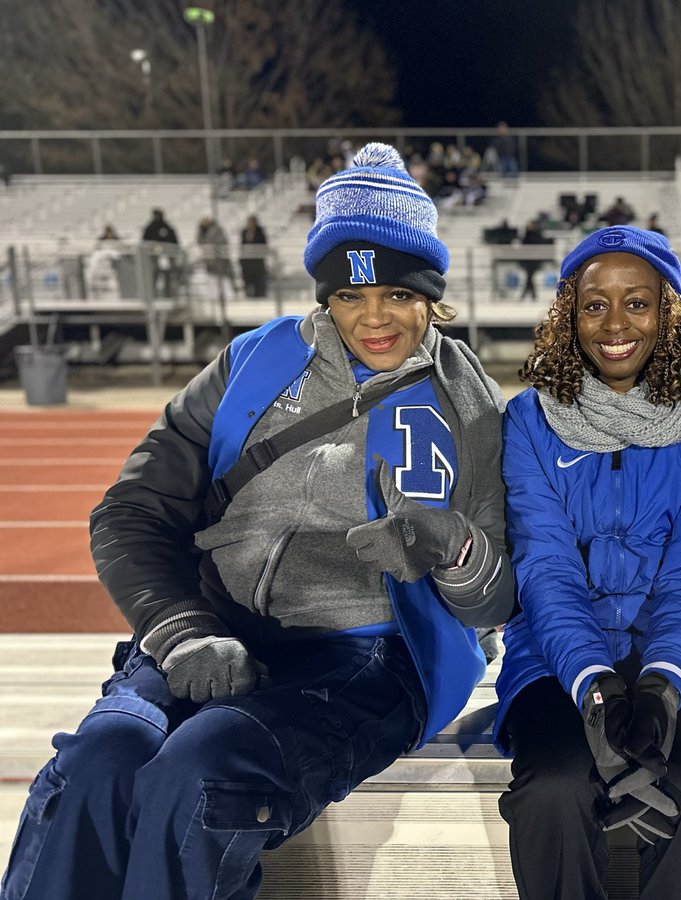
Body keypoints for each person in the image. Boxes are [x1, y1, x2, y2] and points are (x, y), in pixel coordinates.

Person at [0, 143, 514, 900]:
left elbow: (497, 601)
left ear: (432, 294)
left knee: (203, 773)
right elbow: (131, 510)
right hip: (211, 629)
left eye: (398, 295)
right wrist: (180, 626)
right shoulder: (252, 361)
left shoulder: (473, 408)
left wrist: (461, 553)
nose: (374, 318)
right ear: (324, 295)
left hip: (368, 659)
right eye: (350, 296)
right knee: (94, 766)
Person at [496, 225, 681, 900]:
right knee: (552, 789)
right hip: (558, 657)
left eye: (636, 303)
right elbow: (546, 568)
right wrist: (595, 687)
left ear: (667, 311)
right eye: (593, 304)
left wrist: (662, 689)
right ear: (567, 316)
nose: (614, 324)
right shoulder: (528, 421)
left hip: (680, 652)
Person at [140, 208, 180, 297]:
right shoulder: (149, 228)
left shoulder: (168, 228)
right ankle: (152, 295)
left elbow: (174, 242)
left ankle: (168, 295)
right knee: (154, 276)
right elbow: (145, 242)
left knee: (168, 277)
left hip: (167, 257)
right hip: (154, 258)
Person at [196, 215, 235, 297]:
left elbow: (222, 242)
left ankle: (229, 296)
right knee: (212, 279)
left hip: (219, 260)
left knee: (224, 280)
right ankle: (214, 296)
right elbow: (200, 242)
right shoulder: (202, 231)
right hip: (209, 260)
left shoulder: (217, 229)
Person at [239, 215, 269, 298]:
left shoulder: (260, 232)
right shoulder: (244, 232)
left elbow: (263, 244)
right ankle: (248, 295)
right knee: (247, 279)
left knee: (258, 280)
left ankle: (260, 295)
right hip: (247, 261)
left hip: (257, 260)